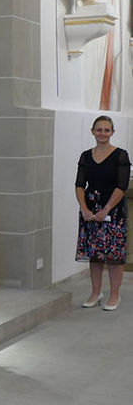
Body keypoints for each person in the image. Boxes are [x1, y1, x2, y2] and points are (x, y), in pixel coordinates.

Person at [76, 115, 130, 311]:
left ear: (112, 132)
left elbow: (121, 185)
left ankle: (114, 295)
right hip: (90, 211)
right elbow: (80, 184)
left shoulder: (121, 155)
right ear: (92, 131)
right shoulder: (85, 156)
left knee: (114, 255)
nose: (103, 133)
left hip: (113, 212)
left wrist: (106, 209)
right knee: (95, 254)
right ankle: (95, 292)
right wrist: (84, 208)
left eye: (107, 130)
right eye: (99, 129)